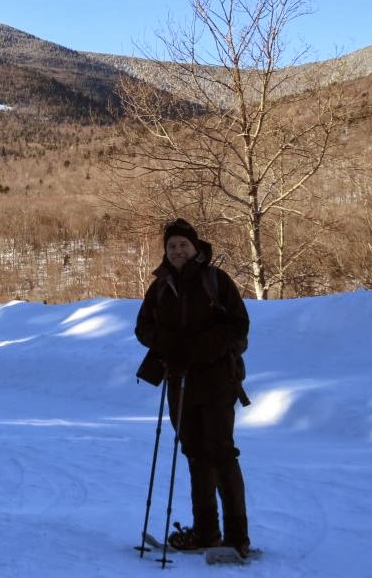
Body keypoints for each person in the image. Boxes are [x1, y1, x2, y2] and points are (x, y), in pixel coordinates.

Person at [134, 218, 251, 557]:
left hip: (217, 380)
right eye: (172, 246)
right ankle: (206, 532)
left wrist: (200, 347)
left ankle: (237, 538)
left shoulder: (216, 280)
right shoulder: (160, 286)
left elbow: (239, 325)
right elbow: (143, 328)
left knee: (222, 453)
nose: (177, 250)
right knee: (195, 453)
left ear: (195, 247)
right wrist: (168, 343)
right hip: (179, 381)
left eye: (183, 244)